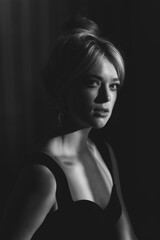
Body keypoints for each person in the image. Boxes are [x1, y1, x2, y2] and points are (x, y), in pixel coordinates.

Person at [0, 16, 138, 240]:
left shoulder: (104, 153)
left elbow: (127, 236)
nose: (106, 97)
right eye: (93, 82)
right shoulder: (43, 173)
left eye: (113, 86)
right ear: (64, 87)